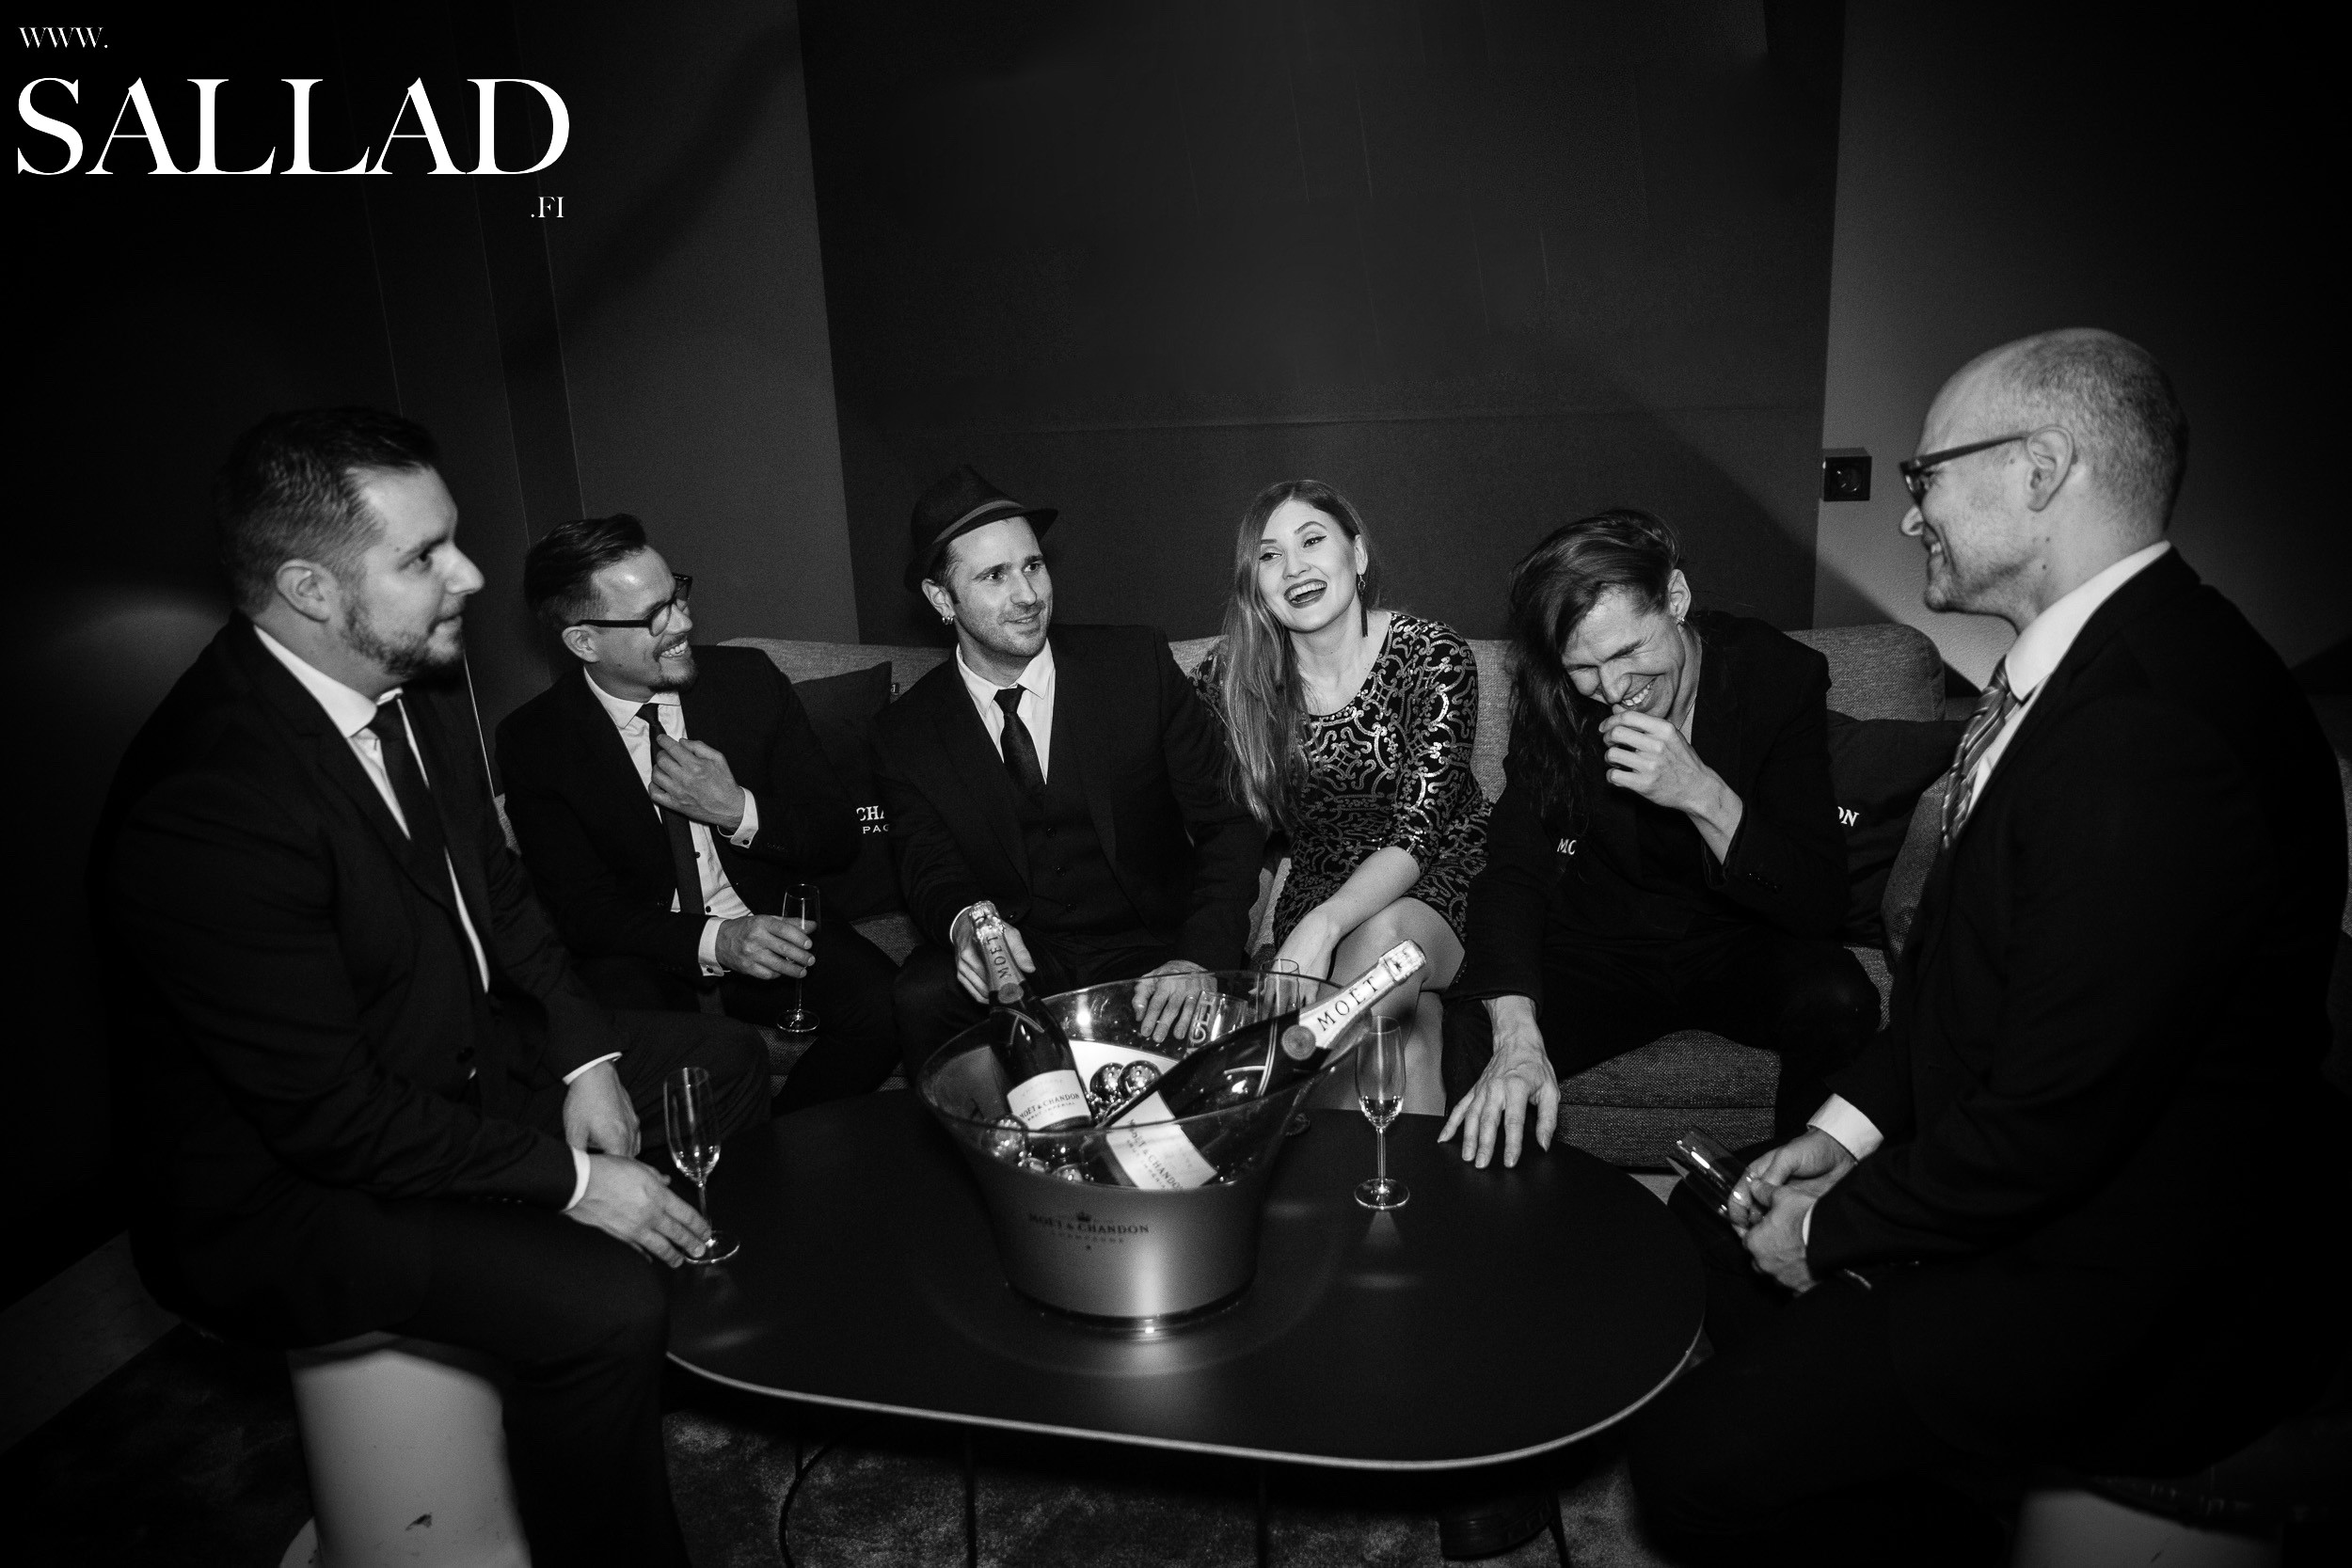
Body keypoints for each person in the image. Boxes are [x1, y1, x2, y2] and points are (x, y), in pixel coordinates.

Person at [1625, 330, 2347, 1565]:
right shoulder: (2081, 673)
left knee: (1685, 1467)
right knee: (1707, 1222)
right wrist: (1836, 1136)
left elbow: (2054, 1121)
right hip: (2031, 1185)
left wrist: (1832, 1229)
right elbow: (1962, 988)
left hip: (2117, 1279)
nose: (1909, 512)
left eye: (1927, 475)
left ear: (2040, 469)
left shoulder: (2150, 730)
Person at [91, 411, 770, 1568]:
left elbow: (501, 895)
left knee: (726, 1063)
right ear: (309, 588)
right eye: (423, 556)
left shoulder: (419, 680)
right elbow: (334, 1117)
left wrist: (586, 1055)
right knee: (601, 1306)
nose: (469, 576)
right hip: (287, 1188)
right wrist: (575, 1184)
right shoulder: (208, 801)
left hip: (449, 1060)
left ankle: (616, 1377)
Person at [1438, 510, 1879, 1163]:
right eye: (1584, 667)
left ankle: (1791, 1199)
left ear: (1675, 598)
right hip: (1605, 942)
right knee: (1477, 1025)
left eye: (1627, 652)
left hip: (1739, 938)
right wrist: (1516, 1030)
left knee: (1840, 998)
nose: (1614, 690)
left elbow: (1818, 900)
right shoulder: (1557, 697)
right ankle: (1507, 1218)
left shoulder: (1775, 675)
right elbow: (1513, 868)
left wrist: (1701, 792)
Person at [498, 514, 901, 1114]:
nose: (683, 623)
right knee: (638, 1037)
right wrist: (718, 940)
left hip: (770, 925)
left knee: (887, 1006)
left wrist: (737, 810)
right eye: (654, 616)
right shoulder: (535, 740)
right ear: (584, 642)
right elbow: (583, 913)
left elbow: (837, 834)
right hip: (646, 956)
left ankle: (782, 1140)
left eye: (677, 596)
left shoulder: (747, 681)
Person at [876, 465, 1266, 1078]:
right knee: (923, 993)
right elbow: (927, 866)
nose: (1028, 595)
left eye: (1032, 565)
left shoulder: (1134, 665)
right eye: (994, 576)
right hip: (1024, 958)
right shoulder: (907, 732)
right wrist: (967, 923)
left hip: (1155, 949)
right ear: (941, 599)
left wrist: (1198, 958)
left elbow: (1231, 821)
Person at [1192, 480, 1487, 1112]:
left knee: (1386, 946)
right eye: (1270, 555)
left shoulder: (1433, 656)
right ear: (1255, 583)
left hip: (1440, 876)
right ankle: (1397, 1172)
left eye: (1311, 541)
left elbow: (1417, 837)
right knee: (1406, 1045)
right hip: (1319, 884)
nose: (1293, 568)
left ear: (1357, 554)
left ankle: (1259, 1102)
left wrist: (1320, 928)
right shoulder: (1232, 680)